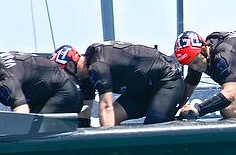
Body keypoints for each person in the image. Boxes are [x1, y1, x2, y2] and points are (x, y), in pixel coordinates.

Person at [52, 41, 185, 127]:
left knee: (153, 125)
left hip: (167, 81)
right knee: (113, 116)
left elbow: (106, 107)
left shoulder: (96, 66)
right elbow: (85, 114)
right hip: (144, 89)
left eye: (64, 75)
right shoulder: (85, 77)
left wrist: (107, 149)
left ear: (70, 65)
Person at [0, 51, 81, 115]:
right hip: (45, 93)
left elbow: (22, 113)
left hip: (64, 90)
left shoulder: (5, 82)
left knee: (37, 129)